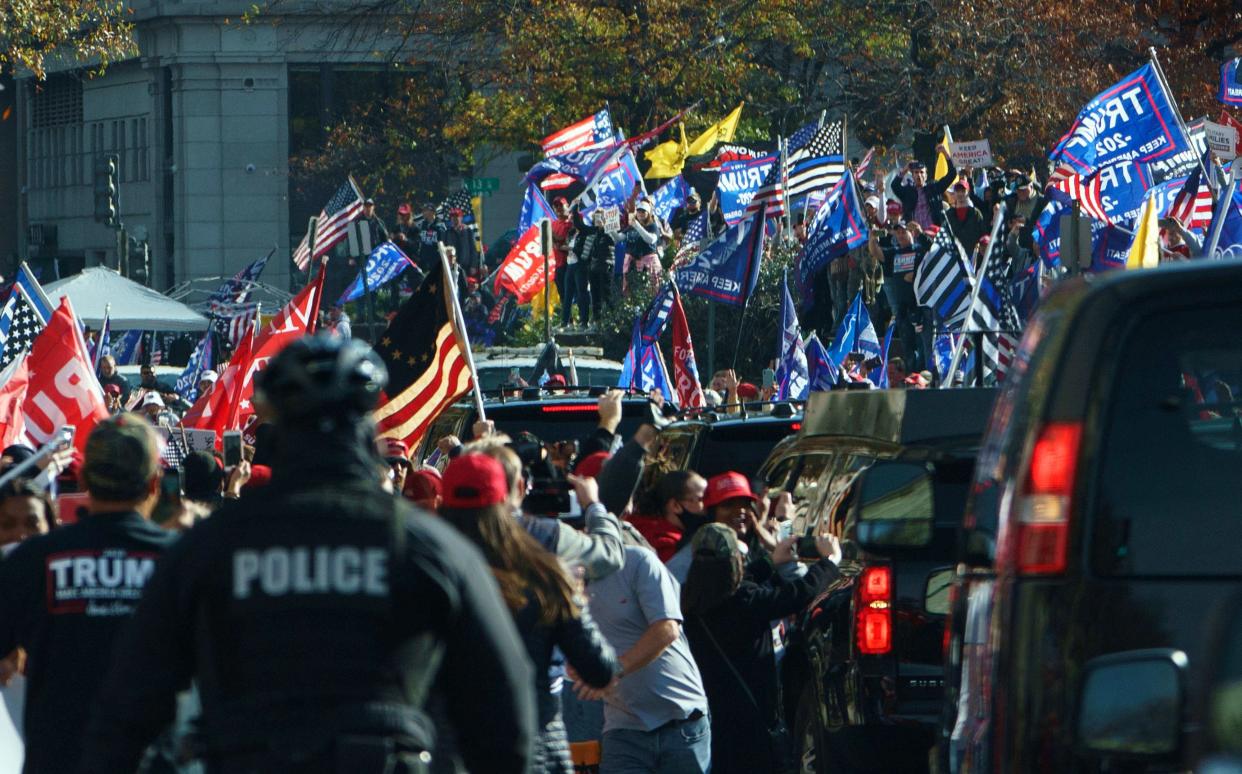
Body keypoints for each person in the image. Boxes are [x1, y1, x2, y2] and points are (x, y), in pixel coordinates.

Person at [79, 335, 536, 773]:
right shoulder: (428, 547)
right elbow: (506, 709)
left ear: (278, 426)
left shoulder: (211, 546)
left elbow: (126, 707)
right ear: (367, 426)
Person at [0, 416, 178, 774]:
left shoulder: (31, 561)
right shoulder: (183, 560)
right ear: (154, 484)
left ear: (82, 480)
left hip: (57, 761)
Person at [439, 453, 618, 774]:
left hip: (449, 747)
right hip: (533, 739)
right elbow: (600, 668)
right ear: (510, 496)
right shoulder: (545, 570)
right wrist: (572, 596)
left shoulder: (422, 564)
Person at [681, 524, 841, 774]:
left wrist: (770, 561)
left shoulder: (687, 602)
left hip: (711, 720)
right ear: (736, 560)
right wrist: (829, 562)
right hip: (752, 721)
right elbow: (801, 593)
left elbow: (733, 583)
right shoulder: (745, 601)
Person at [583, 543, 711, 773]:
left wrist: (614, 669)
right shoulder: (553, 581)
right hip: (622, 726)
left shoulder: (636, 561)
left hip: (680, 721)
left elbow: (667, 628)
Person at [627, 471, 708, 563]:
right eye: (702, 499)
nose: (709, 504)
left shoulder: (636, 526)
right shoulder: (669, 548)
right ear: (675, 505)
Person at [891, 147, 956, 230]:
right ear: (912, 175)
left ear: (926, 175)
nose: (919, 175)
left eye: (922, 172)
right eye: (916, 172)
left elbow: (952, 174)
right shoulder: (908, 191)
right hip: (914, 234)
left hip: (933, 232)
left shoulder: (934, 188)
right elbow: (894, 185)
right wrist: (905, 169)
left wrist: (945, 153)